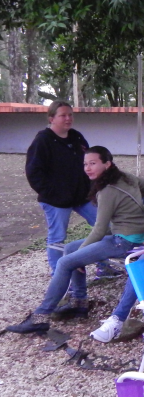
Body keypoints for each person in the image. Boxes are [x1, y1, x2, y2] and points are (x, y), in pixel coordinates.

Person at [8, 146, 144, 335]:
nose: (87, 168)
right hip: (131, 237)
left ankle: (40, 317)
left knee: (65, 262)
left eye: (93, 163)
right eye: (85, 164)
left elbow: (99, 230)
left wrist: (81, 253)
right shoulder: (126, 177)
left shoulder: (108, 191)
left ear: (107, 164)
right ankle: (79, 301)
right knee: (70, 248)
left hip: (124, 242)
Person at [25, 101, 103, 275]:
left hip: (83, 196)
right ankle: (58, 275)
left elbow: (89, 161)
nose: (68, 119)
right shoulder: (42, 141)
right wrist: (53, 193)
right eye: (63, 115)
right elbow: (33, 172)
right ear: (51, 118)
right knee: (57, 238)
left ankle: (103, 265)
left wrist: (93, 186)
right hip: (56, 200)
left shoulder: (76, 137)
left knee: (104, 227)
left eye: (70, 115)